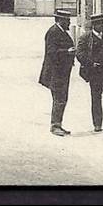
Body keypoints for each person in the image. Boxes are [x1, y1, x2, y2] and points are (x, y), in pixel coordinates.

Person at [38, 8, 77, 136]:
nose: (69, 23)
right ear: (60, 20)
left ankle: (58, 124)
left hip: (62, 72)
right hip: (55, 73)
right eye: (67, 20)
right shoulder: (53, 32)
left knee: (62, 98)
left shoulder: (60, 31)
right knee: (59, 98)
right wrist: (67, 52)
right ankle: (55, 126)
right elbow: (51, 52)